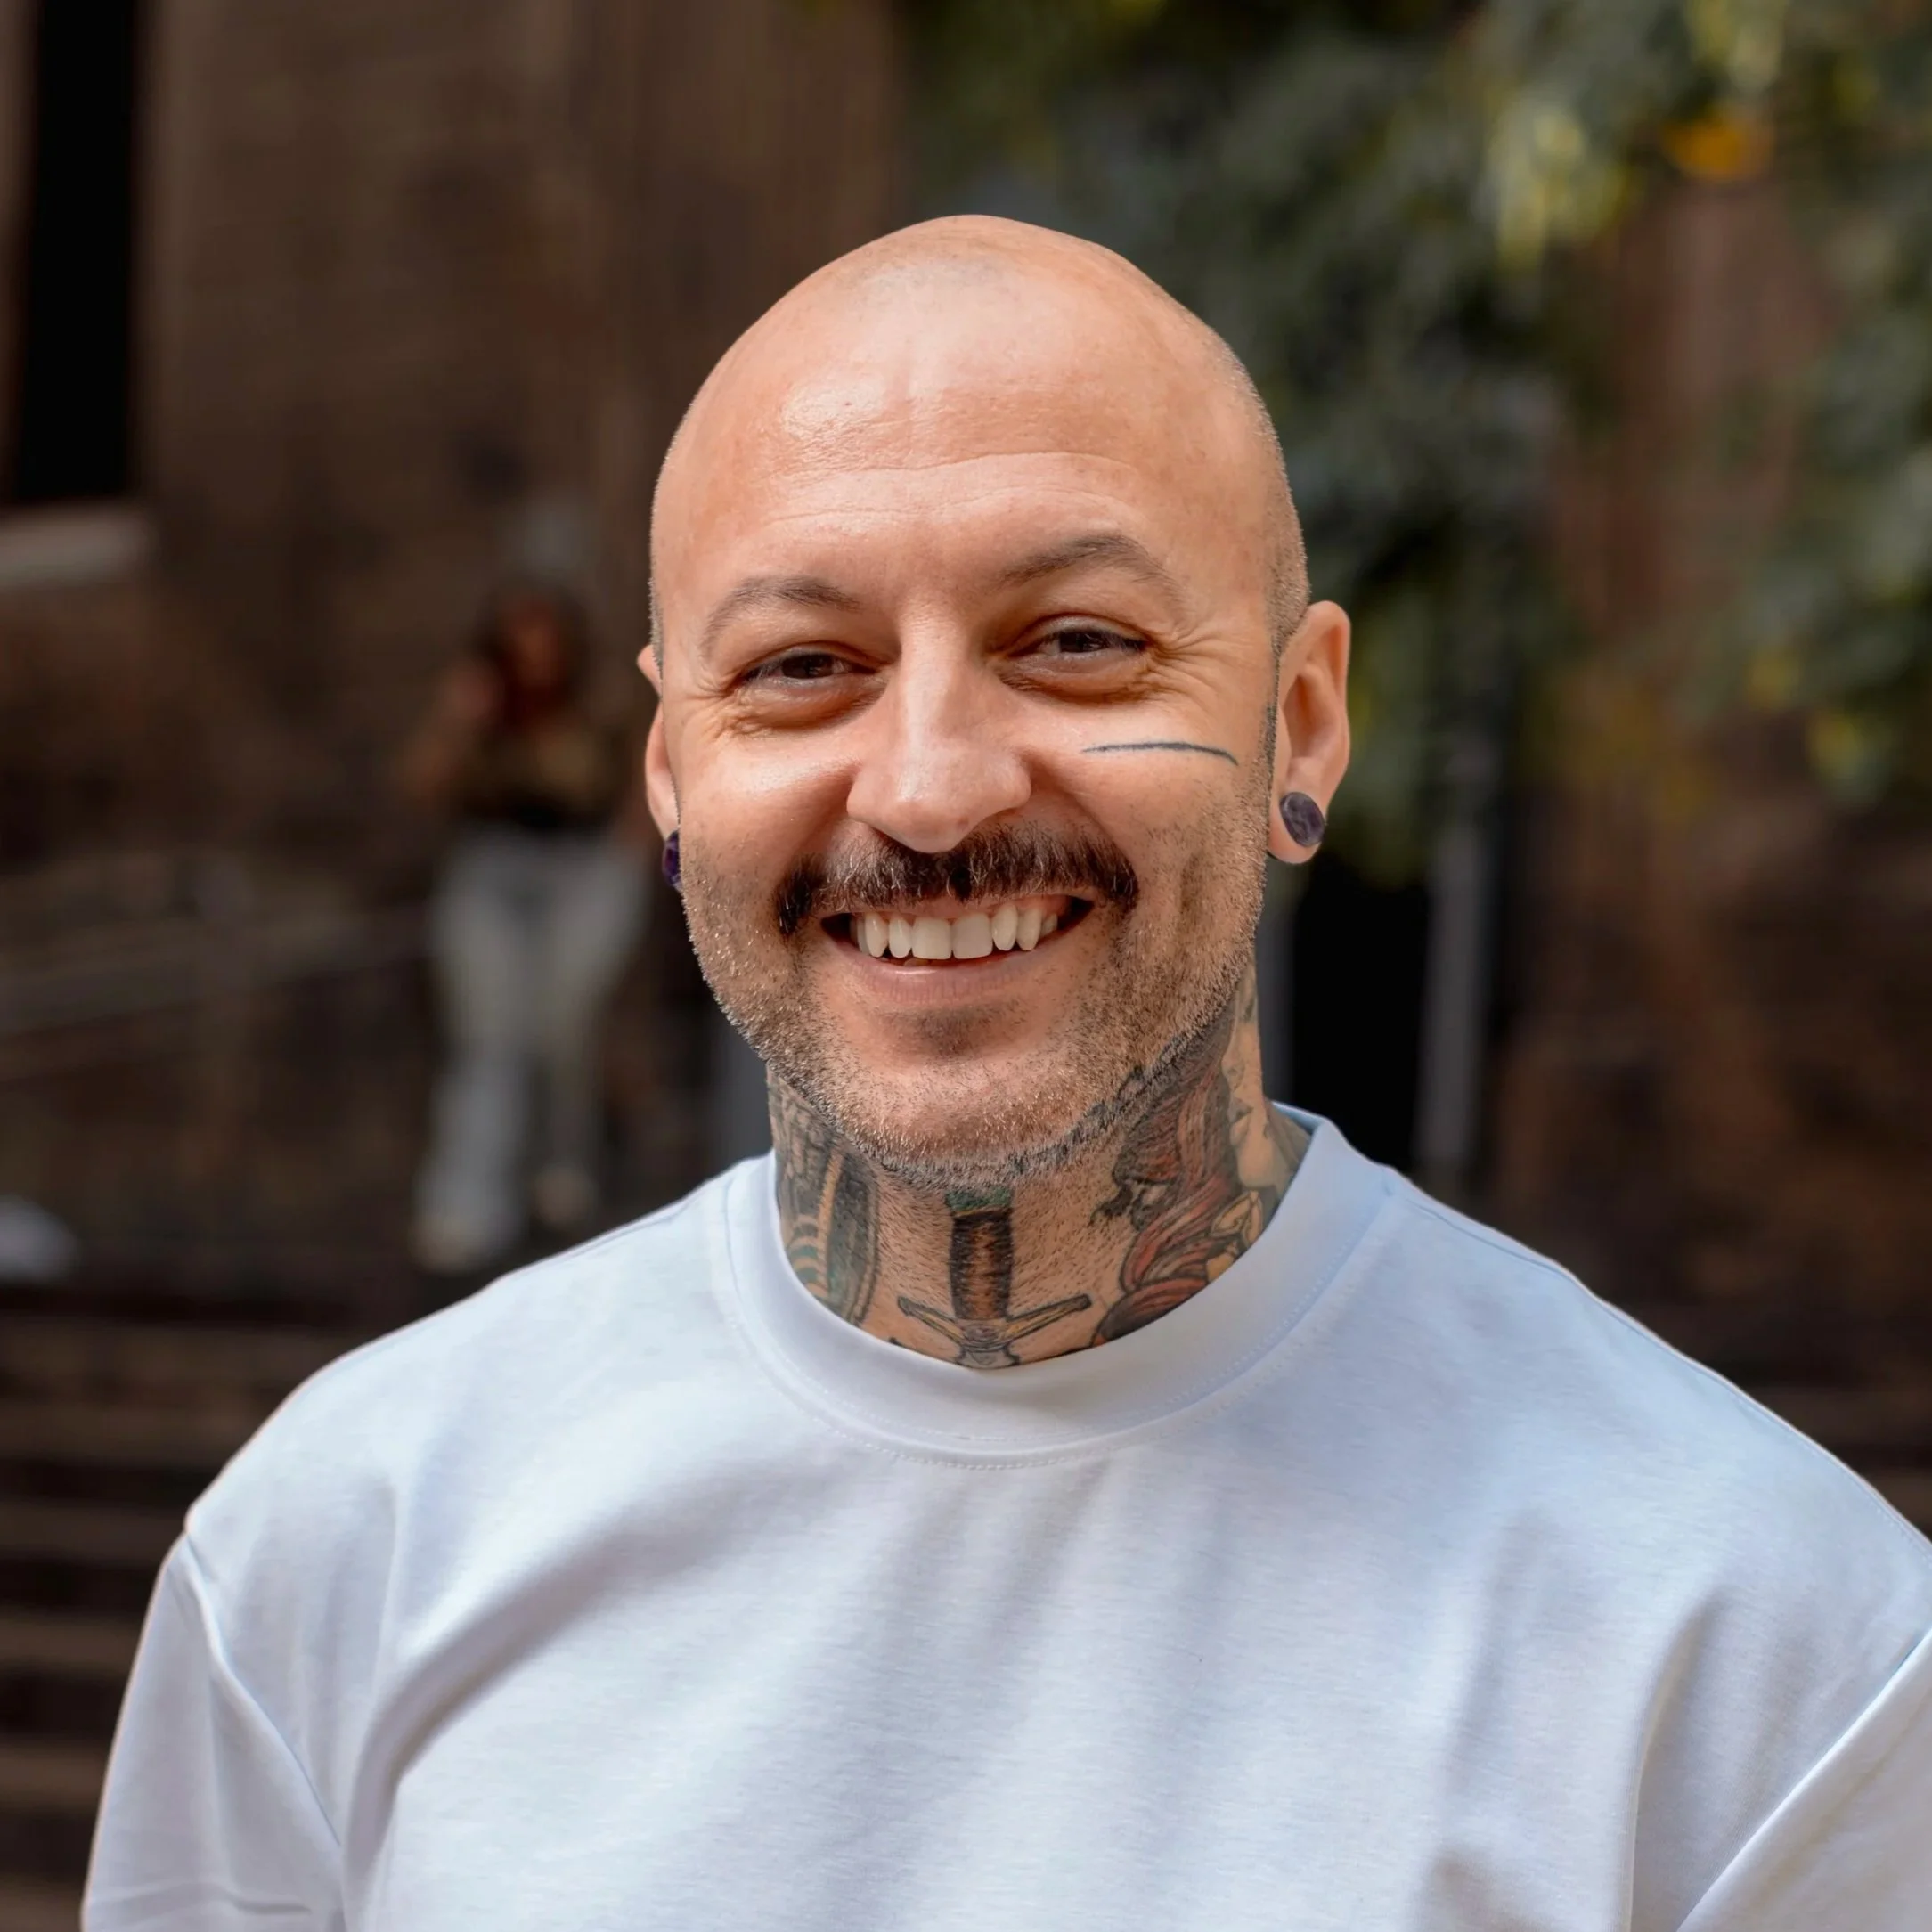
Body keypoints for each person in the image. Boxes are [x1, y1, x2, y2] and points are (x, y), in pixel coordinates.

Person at [86, 220, 1930, 1929]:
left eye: (1073, 642)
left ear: (1297, 722)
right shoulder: (334, 1551)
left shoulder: (1758, 1649)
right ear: (667, 773)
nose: (931, 787)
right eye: (802, 665)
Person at [398, 583, 650, 1272]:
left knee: (563, 1024)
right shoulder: (480, 702)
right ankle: (466, 1204)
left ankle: (562, 1166)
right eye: (518, 641)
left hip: (584, 865)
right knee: (486, 1037)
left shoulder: (601, 699)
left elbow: (642, 778)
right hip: (492, 869)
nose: (534, 656)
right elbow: (421, 787)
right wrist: (457, 720)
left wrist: (629, 856)